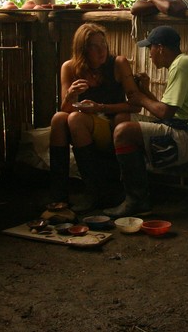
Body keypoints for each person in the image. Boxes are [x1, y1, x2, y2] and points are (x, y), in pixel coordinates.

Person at [104, 25, 188, 217]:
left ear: (161, 48)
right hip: (184, 131)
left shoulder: (182, 65)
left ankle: (137, 201)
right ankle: (123, 193)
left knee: (123, 131)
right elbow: (166, 111)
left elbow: (164, 113)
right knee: (123, 119)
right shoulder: (184, 63)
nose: (149, 55)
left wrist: (139, 98)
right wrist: (145, 91)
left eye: (150, 49)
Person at [47, 23, 141, 212]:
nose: (102, 50)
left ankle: (95, 192)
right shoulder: (70, 67)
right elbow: (65, 108)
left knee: (75, 119)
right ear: (82, 49)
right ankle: (59, 196)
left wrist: (101, 107)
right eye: (95, 46)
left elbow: (135, 105)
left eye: (103, 45)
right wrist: (71, 95)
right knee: (58, 119)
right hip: (83, 127)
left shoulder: (117, 64)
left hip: (110, 125)